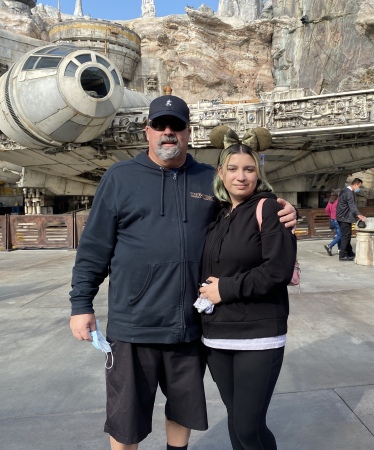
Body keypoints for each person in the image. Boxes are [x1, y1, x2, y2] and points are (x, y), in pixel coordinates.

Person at [69, 95, 297, 450]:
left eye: (176, 126)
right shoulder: (120, 178)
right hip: (134, 325)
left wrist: (284, 209)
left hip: (189, 327)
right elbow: (94, 248)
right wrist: (81, 304)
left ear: (189, 132)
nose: (168, 132)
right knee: (126, 420)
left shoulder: (209, 179)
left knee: (182, 411)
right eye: (160, 125)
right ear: (148, 131)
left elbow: (247, 208)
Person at [198, 127, 297, 450]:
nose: (241, 177)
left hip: (259, 334)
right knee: (235, 421)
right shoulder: (217, 214)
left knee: (248, 428)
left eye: (249, 169)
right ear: (221, 173)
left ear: (258, 172)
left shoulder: (269, 209)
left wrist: (225, 289)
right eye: (233, 169)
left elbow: (277, 271)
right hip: (217, 335)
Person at [336, 178, 366, 261]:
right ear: (355, 184)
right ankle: (342, 255)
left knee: (347, 235)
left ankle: (349, 253)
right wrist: (359, 215)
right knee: (346, 236)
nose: (359, 188)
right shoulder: (349, 193)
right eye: (359, 186)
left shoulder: (344, 190)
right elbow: (352, 206)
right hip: (344, 218)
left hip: (341, 217)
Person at [323, 189, 341, 256]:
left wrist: (331, 215)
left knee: (338, 235)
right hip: (338, 220)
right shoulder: (338, 201)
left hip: (332, 220)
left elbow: (326, 209)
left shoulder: (330, 201)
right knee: (340, 235)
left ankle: (340, 249)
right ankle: (329, 246)